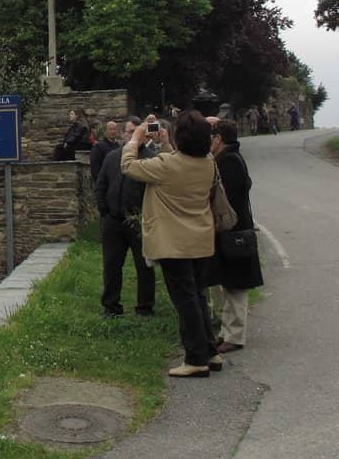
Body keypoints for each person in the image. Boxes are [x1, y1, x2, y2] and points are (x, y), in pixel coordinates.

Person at [121, 110, 222, 378]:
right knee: (198, 296)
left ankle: (196, 358)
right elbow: (180, 161)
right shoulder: (209, 162)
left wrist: (136, 139)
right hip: (200, 239)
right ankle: (211, 351)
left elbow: (129, 166)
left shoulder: (166, 166)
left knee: (185, 300)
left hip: (173, 243)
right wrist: (166, 143)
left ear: (181, 136)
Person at [205, 120, 263, 354]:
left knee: (236, 285)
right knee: (229, 283)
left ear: (218, 139)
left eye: (211, 137)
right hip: (233, 233)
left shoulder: (228, 162)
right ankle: (227, 332)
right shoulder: (231, 158)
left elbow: (225, 198)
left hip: (234, 234)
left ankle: (235, 335)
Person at [95, 116, 156, 318]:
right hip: (113, 220)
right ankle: (111, 306)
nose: (130, 135)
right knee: (111, 265)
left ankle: (144, 307)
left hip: (139, 221)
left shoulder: (150, 157)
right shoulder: (113, 156)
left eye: (134, 132)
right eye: (128, 132)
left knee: (144, 266)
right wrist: (104, 211)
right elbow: (101, 184)